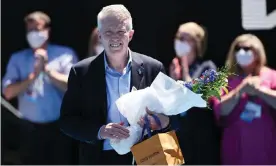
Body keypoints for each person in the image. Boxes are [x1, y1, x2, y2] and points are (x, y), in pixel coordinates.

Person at [59, 4, 174, 165]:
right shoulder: (81, 72)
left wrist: (163, 121)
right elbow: (67, 121)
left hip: (150, 155)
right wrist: (100, 131)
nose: (115, 37)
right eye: (108, 32)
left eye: (121, 31)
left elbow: (175, 115)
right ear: (99, 35)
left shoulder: (153, 67)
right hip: (100, 158)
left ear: (131, 34)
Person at [2, 11, 79, 164]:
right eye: (30, 30)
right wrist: (33, 76)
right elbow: (8, 92)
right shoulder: (17, 59)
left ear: (47, 31)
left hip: (59, 129)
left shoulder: (64, 54)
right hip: (29, 130)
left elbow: (75, 87)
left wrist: (47, 71)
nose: (33, 34)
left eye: (37, 29)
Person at [211, 34, 276, 164]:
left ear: (257, 52)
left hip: (267, 150)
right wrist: (240, 90)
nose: (241, 52)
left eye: (247, 48)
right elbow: (220, 110)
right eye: (237, 48)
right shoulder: (224, 79)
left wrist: (259, 90)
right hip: (235, 150)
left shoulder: (272, 76)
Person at [170, 22, 221, 164]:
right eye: (178, 37)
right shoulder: (174, 67)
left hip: (200, 138)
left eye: (185, 38)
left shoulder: (208, 67)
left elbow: (200, 98)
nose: (179, 41)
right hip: (178, 137)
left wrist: (185, 72)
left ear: (196, 43)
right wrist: (173, 80)